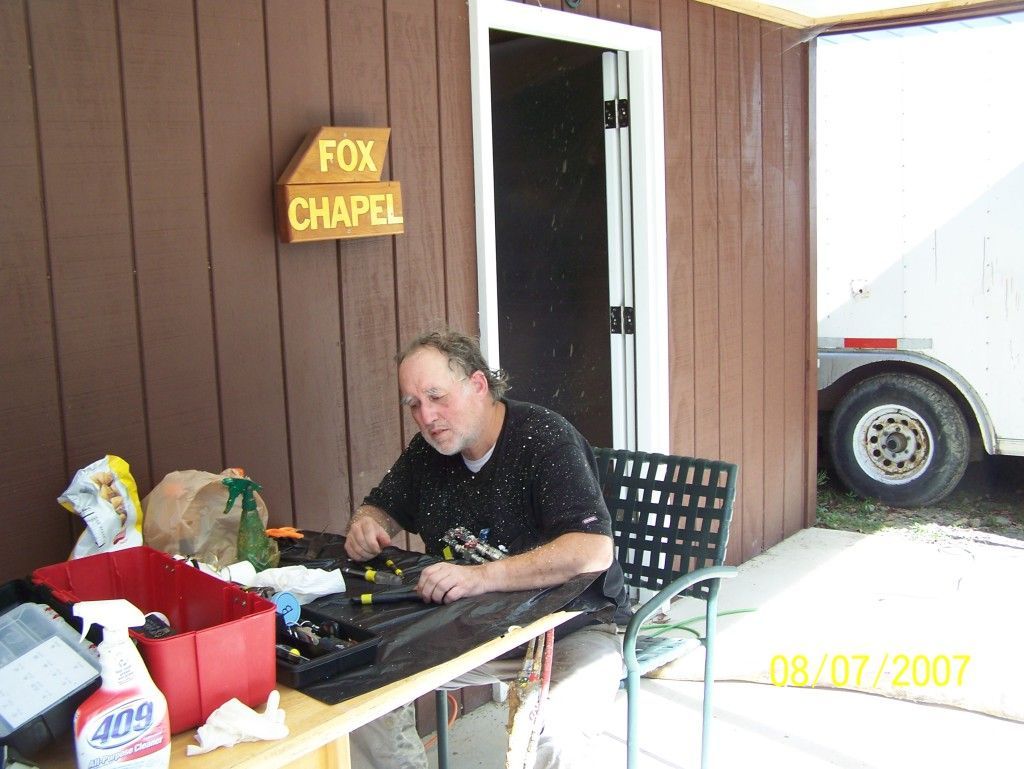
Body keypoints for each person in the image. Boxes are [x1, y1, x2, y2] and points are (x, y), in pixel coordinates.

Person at [345, 328, 627, 769]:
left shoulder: (544, 438)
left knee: (555, 734)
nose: (427, 416)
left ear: (478, 384)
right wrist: (366, 523)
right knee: (356, 689)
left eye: (437, 396)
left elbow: (593, 549)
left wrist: (479, 576)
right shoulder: (429, 450)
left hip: (570, 627)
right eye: (414, 404)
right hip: (469, 627)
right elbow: (382, 506)